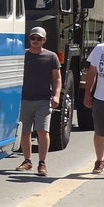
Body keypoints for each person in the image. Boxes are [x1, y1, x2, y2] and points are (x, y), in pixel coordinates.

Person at [17, 26, 61, 177]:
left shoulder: (51, 57)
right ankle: (27, 161)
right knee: (25, 131)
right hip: (24, 99)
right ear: (29, 39)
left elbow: (57, 78)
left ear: (44, 40)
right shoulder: (22, 55)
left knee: (43, 131)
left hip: (43, 100)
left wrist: (56, 96)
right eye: (33, 38)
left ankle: (42, 163)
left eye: (38, 39)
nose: (35, 41)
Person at [83, 40, 104, 175]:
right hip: (100, 98)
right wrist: (87, 94)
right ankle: (99, 160)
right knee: (100, 132)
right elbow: (92, 72)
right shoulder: (100, 49)